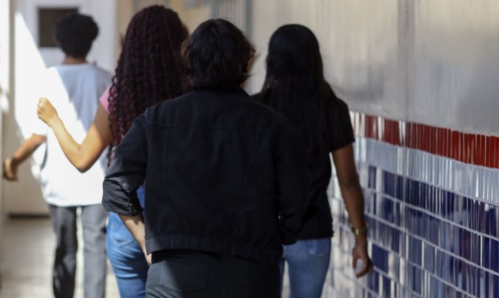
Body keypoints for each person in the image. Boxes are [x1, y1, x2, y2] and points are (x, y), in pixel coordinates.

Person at [102, 19, 332, 298]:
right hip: (251, 270)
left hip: (175, 272)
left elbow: (116, 185)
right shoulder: (274, 126)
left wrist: (145, 239)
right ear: (244, 64)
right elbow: (298, 195)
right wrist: (283, 233)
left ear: (189, 62)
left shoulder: (156, 120)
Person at [35, 6, 189, 298]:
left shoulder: (119, 96)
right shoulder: (191, 95)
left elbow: (82, 158)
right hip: (181, 215)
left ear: (130, 47)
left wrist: (54, 121)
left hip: (130, 220)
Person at [255, 24, 374, 298]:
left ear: (272, 62)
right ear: (315, 61)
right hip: (312, 233)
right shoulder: (332, 109)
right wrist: (360, 238)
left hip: (263, 233)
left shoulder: (257, 109)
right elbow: (348, 180)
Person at [3, 12, 111, 298]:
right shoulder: (106, 79)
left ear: (60, 42)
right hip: (97, 180)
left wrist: (14, 161)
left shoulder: (47, 80)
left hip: (59, 183)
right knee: (95, 248)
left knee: (65, 249)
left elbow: (38, 136)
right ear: (90, 42)